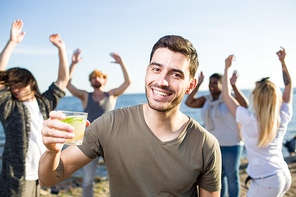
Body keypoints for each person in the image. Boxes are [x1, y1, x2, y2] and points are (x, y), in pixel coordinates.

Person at [39, 35, 222, 197]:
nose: (161, 81)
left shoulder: (206, 145)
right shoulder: (109, 124)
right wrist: (52, 150)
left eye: (175, 74)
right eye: (156, 69)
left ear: (191, 85)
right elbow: (48, 178)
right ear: (147, 71)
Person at [0, 20, 69, 197]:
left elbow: (63, 80)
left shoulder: (44, 102)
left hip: (40, 174)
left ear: (29, 83)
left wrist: (61, 49)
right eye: (11, 86)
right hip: (16, 177)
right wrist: (12, 42)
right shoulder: (9, 105)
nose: (14, 90)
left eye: (17, 85)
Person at [222, 47, 292, 197]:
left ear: (257, 98)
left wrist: (226, 68)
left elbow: (226, 95)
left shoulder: (249, 119)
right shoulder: (283, 116)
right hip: (283, 175)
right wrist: (283, 62)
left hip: (266, 182)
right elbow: (288, 87)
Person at [67, 49, 132, 196]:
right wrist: (73, 64)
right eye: (93, 77)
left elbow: (128, 82)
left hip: (110, 142)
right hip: (88, 141)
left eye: (99, 77)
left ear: (104, 80)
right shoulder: (85, 96)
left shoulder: (111, 95)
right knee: (88, 180)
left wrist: (122, 63)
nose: (96, 79)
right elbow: (68, 84)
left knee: (118, 178)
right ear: (90, 81)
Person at [185, 70, 249, 197]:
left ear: (222, 84)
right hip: (212, 145)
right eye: (210, 82)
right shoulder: (207, 99)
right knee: (218, 178)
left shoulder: (229, 99)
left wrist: (233, 86)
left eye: (215, 82)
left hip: (232, 144)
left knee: (232, 176)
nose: (211, 85)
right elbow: (189, 102)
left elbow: (244, 105)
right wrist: (199, 84)